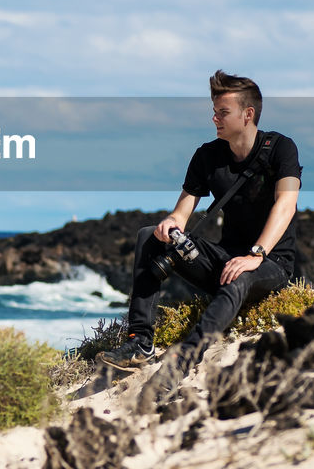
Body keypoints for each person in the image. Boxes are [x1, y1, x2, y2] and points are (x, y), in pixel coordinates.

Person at [97, 70, 302, 376]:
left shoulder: (281, 149)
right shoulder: (207, 156)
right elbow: (181, 211)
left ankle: (184, 359)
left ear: (247, 115)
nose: (215, 119)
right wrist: (170, 225)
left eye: (223, 112)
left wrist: (255, 255)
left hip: (270, 262)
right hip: (225, 257)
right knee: (148, 237)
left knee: (240, 277)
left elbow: (286, 204)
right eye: (214, 112)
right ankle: (140, 342)